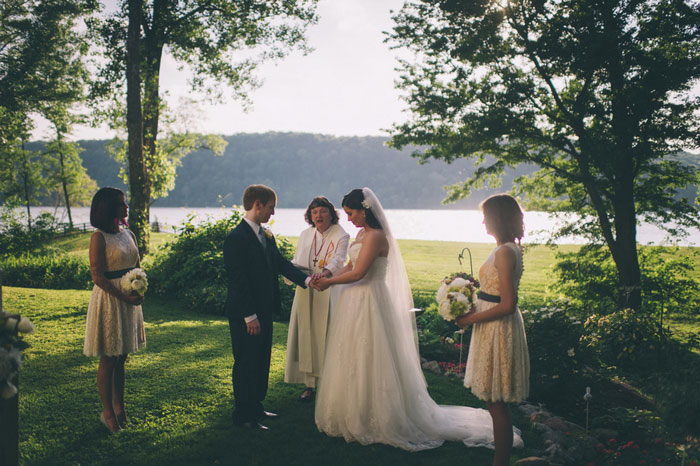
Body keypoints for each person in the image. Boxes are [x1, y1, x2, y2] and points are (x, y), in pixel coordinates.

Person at [312, 188, 522, 451]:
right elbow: (351, 266)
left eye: (352, 213)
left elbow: (361, 273)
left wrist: (330, 283)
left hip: (370, 300)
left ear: (365, 210)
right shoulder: (362, 233)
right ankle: (355, 409)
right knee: (351, 353)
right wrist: (328, 276)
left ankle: (379, 414)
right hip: (353, 302)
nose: (350, 218)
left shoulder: (376, 236)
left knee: (372, 355)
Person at [223, 184, 310, 430]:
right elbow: (237, 280)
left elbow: (281, 263)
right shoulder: (236, 238)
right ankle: (243, 415)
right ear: (258, 204)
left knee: (261, 359)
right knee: (245, 362)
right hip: (245, 314)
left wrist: (306, 280)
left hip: (264, 310)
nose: (272, 214)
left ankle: (256, 407)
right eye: (271, 208)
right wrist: (249, 316)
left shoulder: (266, 235)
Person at [456, 193, 530, 466]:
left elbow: (508, 304)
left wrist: (470, 319)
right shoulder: (505, 248)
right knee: (494, 402)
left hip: (499, 328)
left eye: (486, 215)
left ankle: (501, 462)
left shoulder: (505, 252)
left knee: (497, 402)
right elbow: (494, 293)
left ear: (497, 218)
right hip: (490, 324)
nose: (483, 221)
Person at [83, 187, 146, 433]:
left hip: (130, 299)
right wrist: (123, 296)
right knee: (109, 357)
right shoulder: (99, 237)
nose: (126, 206)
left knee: (122, 357)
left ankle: (120, 406)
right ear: (109, 208)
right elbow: (97, 275)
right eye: (121, 203)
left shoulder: (129, 233)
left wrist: (139, 288)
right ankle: (107, 412)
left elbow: (138, 265)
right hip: (110, 300)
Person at [284, 197, 349, 401]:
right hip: (305, 287)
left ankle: (329, 384)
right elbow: (297, 259)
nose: (318, 216)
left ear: (331, 213)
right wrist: (291, 271)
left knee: (326, 334)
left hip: (328, 289)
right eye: (314, 212)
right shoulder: (305, 234)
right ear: (310, 216)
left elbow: (340, 258)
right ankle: (309, 385)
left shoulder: (341, 234)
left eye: (322, 211)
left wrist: (326, 273)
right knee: (306, 334)